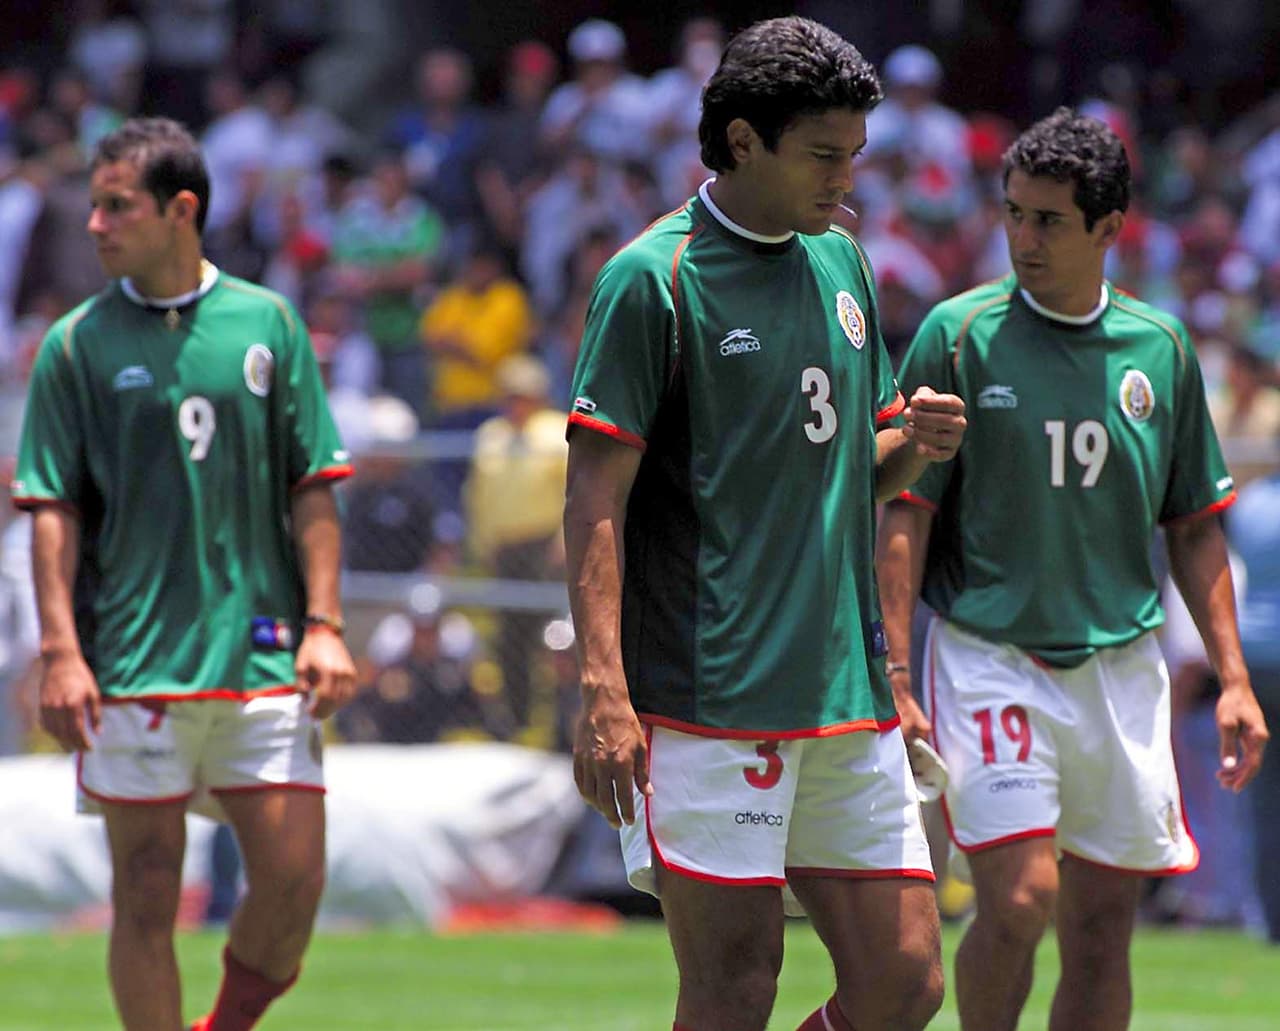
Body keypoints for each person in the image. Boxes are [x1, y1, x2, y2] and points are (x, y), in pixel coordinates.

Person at [563, 18, 967, 1031]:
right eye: (823, 154)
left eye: (854, 154)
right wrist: (602, 688)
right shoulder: (650, 279)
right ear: (742, 140)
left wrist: (915, 443)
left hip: (843, 687)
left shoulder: (843, 265)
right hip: (707, 695)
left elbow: (854, 474)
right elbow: (592, 502)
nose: (846, 177)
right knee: (735, 984)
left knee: (905, 978)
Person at [876, 108, 1269, 1031]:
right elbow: (905, 512)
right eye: (1013, 213)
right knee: (1016, 901)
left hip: (1121, 669)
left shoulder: (1161, 351)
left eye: (1047, 220)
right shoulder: (958, 333)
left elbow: (1196, 526)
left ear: (1107, 229)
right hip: (990, 655)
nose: (1022, 237)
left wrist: (1236, 679)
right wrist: (895, 669)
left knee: (1101, 931)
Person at [9, 118, 358, 1031]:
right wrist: (58, 651)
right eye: (92, 205)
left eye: (116, 205)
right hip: (128, 665)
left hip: (264, 653)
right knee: (148, 890)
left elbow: (314, 483)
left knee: (293, 881)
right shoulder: (75, 345)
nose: (94, 225)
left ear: (181, 209)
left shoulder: (268, 322)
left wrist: (326, 623)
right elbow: (51, 507)